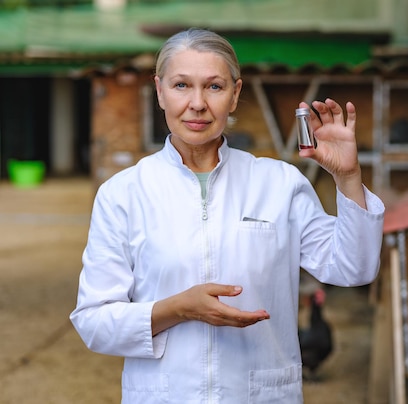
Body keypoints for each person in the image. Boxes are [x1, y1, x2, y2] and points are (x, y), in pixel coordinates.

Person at [70, 28, 384, 403]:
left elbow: (355, 268)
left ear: (235, 94)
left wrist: (347, 177)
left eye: (214, 87)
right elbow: (94, 322)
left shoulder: (279, 184)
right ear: (159, 91)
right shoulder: (123, 194)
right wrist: (177, 309)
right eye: (182, 85)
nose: (198, 103)